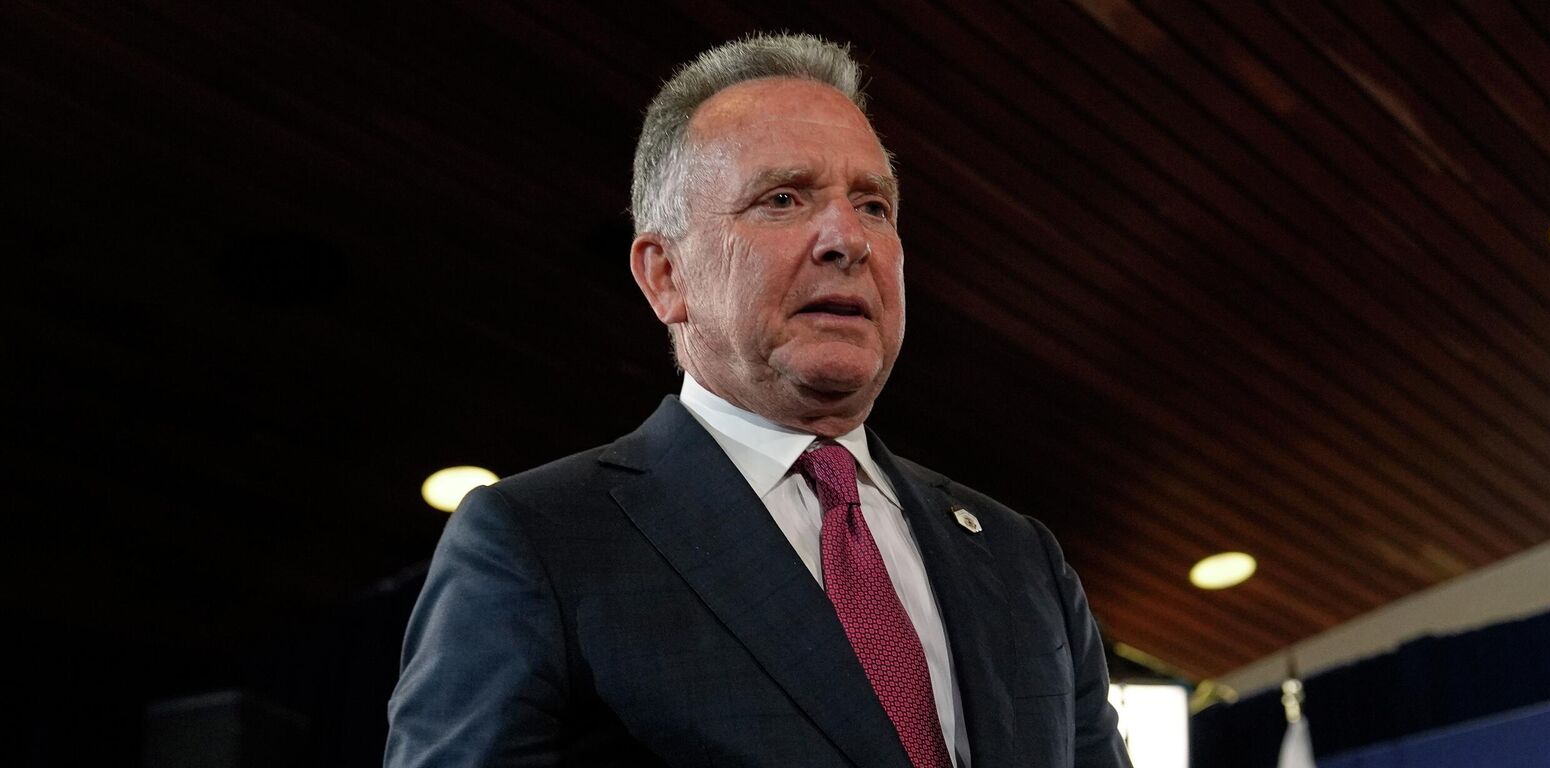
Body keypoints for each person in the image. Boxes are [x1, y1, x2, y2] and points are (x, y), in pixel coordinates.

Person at [384, 33, 1130, 768]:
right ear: (666, 275)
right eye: (783, 199)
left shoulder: (1021, 559)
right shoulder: (541, 541)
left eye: (874, 205)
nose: (848, 239)